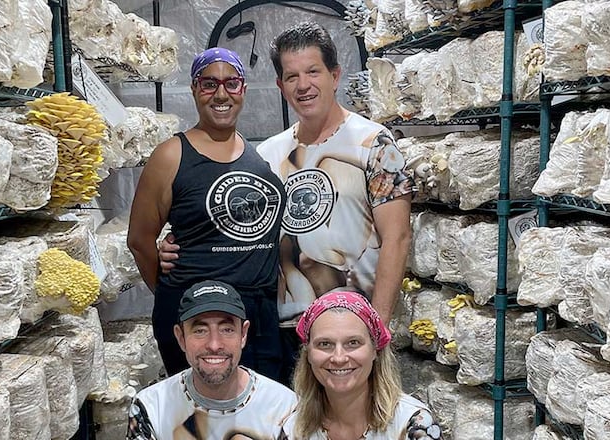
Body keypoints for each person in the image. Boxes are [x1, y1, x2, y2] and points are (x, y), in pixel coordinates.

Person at [159, 22, 415, 383]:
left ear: (335, 75)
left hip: (350, 328)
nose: (303, 85)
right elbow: (240, 226)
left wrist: (378, 328)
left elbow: (398, 238)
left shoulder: (373, 144)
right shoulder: (268, 153)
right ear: (280, 86)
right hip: (283, 329)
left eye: (313, 71)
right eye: (291, 76)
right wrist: (173, 247)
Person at [127, 48, 286, 379]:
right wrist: (175, 294)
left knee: (261, 418)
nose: (221, 94)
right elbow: (140, 240)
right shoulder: (171, 155)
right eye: (209, 84)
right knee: (202, 420)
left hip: (258, 315)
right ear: (194, 90)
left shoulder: (255, 155)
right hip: (200, 317)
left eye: (232, 83)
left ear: (243, 89)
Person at [126, 280, 298, 440]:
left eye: (227, 329)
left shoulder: (284, 407)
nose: (214, 345)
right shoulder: (151, 406)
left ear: (243, 334)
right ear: (181, 337)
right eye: (200, 330)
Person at [277, 290, 442, 440]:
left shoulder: (413, 425)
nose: (339, 358)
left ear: (375, 350)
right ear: (308, 355)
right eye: (325, 344)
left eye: (353, 343)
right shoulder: (294, 430)